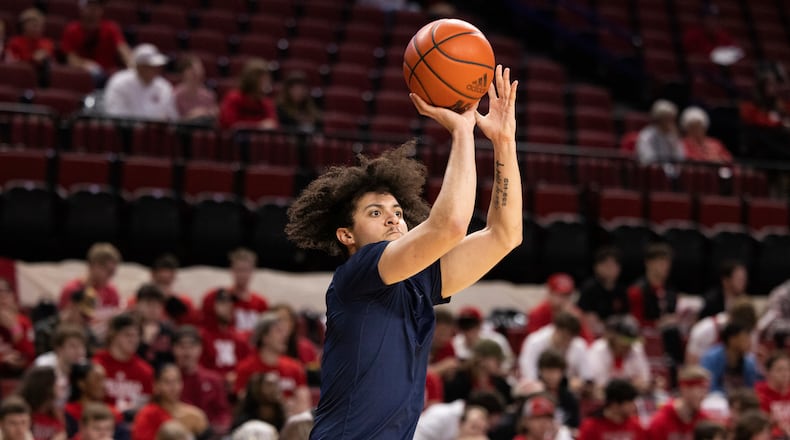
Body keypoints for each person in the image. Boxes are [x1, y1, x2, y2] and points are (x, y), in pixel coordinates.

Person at [285, 65, 521, 438]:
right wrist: (462, 133)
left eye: (398, 212)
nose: (393, 220)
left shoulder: (420, 280)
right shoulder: (358, 274)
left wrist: (503, 142)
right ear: (347, 235)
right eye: (375, 213)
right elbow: (450, 226)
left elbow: (505, 235)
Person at [233, 313, 311, 415]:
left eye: (285, 331)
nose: (285, 336)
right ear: (264, 337)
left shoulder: (294, 367)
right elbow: (243, 404)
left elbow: (304, 403)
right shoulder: (246, 368)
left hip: (290, 421)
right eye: (278, 331)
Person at [171, 325, 231, 435]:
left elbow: (223, 412)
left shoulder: (214, 379)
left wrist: (217, 429)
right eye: (182, 347)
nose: (187, 352)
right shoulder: (168, 380)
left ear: (200, 348)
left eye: (191, 346)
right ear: (173, 349)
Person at [92, 313, 153, 413]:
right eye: (128, 335)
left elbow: (145, 407)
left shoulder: (145, 371)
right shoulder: (97, 364)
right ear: (113, 335)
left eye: (137, 336)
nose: (134, 340)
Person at [200, 248, 269, 334]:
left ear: (253, 271)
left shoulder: (261, 303)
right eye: (239, 270)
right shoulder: (217, 297)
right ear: (231, 270)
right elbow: (205, 327)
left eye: (246, 270)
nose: (242, 275)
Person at [131, 364, 208, 440]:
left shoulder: (195, 415)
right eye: (167, 382)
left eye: (177, 381)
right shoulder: (146, 415)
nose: (173, 387)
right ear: (156, 385)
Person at [61, 0, 131, 83]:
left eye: (98, 6)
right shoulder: (72, 30)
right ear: (82, 8)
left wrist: (132, 66)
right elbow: (71, 59)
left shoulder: (111, 28)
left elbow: (123, 50)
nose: (94, 10)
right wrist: (86, 65)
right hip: (82, 77)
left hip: (108, 78)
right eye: (90, 6)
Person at [57, 243, 121, 334]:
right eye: (108, 272)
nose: (110, 277)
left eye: (113, 273)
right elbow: (62, 322)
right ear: (93, 266)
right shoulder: (72, 289)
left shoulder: (112, 292)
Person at [104, 43, 178, 121]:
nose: (156, 69)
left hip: (156, 132)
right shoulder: (120, 82)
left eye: (157, 66)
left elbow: (171, 115)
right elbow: (116, 113)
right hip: (126, 131)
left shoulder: (163, 86)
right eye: (150, 66)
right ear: (139, 66)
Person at [582, 315, 651, 394]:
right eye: (625, 342)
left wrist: (644, 384)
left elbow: (644, 381)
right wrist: (631, 385)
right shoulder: (597, 351)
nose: (629, 346)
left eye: (631, 343)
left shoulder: (636, 349)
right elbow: (599, 386)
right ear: (612, 337)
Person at [518, 311, 587, 387]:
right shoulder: (535, 342)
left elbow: (586, 377)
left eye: (570, 339)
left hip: (565, 390)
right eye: (564, 337)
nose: (566, 342)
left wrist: (580, 383)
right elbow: (528, 373)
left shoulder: (579, 345)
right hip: (539, 387)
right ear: (555, 329)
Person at [647, 366, 713, 440]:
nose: (704, 395)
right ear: (685, 389)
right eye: (701, 389)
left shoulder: (704, 421)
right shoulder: (660, 422)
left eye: (706, 390)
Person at [197, 289, 251, 380]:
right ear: (210, 305)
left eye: (230, 302)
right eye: (223, 302)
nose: (229, 306)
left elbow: (247, 365)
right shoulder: (201, 337)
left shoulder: (239, 338)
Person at [576, 246, 629, 337]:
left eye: (614, 265)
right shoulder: (589, 289)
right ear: (597, 267)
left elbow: (625, 315)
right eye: (607, 265)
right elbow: (587, 317)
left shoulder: (621, 290)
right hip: (594, 333)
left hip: (617, 333)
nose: (611, 269)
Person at [687, 298, 757, 365]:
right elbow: (692, 365)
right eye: (742, 334)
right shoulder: (704, 330)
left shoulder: (750, 331)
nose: (746, 338)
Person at [33, 324, 87, 409]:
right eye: (73, 346)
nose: (79, 351)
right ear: (59, 348)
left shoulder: (84, 366)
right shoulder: (45, 364)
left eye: (81, 346)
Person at [63, 362, 122, 439]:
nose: (103, 385)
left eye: (104, 379)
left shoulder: (114, 413)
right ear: (81, 383)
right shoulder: (66, 413)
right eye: (97, 379)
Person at [413, 391, 506, 440]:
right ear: (460, 424)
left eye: (483, 429)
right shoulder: (441, 414)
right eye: (474, 427)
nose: (478, 433)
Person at [443, 339, 512, 405]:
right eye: (497, 359)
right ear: (481, 359)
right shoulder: (460, 381)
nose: (499, 363)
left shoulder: (500, 383)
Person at [35, 288, 98, 357]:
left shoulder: (85, 330)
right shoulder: (45, 329)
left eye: (88, 317)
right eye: (83, 315)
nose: (85, 320)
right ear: (72, 305)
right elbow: (43, 359)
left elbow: (96, 351)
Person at [700, 322, 761, 395]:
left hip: (741, 401)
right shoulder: (711, 358)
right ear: (732, 340)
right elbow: (709, 386)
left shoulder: (749, 362)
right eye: (745, 338)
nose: (749, 342)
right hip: (716, 399)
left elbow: (751, 388)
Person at [218, 58, 279, 130]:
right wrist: (258, 125)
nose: (266, 83)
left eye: (266, 79)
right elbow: (229, 124)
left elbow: (273, 124)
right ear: (251, 80)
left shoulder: (266, 103)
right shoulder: (234, 98)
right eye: (262, 79)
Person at [451, 306, 514, 373]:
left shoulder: (496, 340)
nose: (468, 328)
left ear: (480, 324)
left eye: (472, 324)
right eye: (463, 324)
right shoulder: (455, 343)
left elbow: (508, 365)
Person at [578, 379, 645, 440]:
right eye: (630, 403)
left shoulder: (636, 426)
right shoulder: (591, 427)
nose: (634, 407)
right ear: (614, 404)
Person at [16, 366, 65, 440]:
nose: (61, 385)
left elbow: (62, 434)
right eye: (56, 381)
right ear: (45, 386)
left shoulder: (57, 413)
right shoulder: (20, 412)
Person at [535, 349, 581, 429]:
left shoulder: (570, 399)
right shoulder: (533, 396)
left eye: (556, 371)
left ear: (562, 373)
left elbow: (575, 427)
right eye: (548, 371)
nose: (552, 376)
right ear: (540, 371)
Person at [131, 284, 173, 369]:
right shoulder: (128, 328)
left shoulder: (167, 331)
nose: (154, 309)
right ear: (138, 304)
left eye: (158, 306)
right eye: (149, 304)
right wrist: (145, 341)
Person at [0, 278, 35, 376]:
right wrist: (2, 359)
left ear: (12, 296)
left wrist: (14, 328)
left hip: (20, 375)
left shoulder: (23, 322)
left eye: (6, 292)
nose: (2, 297)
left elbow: (30, 355)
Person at [636, 99, 685, 165]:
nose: (671, 122)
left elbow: (680, 158)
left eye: (672, 119)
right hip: (653, 171)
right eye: (667, 119)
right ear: (658, 119)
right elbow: (647, 158)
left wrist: (675, 141)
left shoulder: (672, 136)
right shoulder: (647, 135)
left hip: (672, 172)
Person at [754, 351, 790, 437]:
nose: (785, 374)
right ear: (767, 372)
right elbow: (760, 421)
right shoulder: (759, 391)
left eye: (788, 369)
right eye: (779, 370)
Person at [173, 54, 218, 124]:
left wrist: (205, 113)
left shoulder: (208, 95)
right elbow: (173, 123)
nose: (196, 73)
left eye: (199, 70)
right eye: (192, 71)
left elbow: (214, 117)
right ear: (183, 73)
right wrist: (192, 116)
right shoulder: (175, 95)